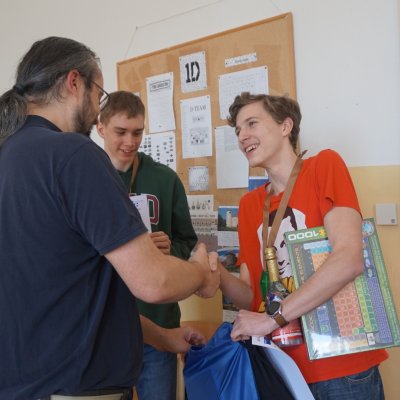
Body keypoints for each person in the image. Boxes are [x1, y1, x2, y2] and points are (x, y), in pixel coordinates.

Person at [0, 36, 220, 400]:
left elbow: (73, 293)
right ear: (74, 82)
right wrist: (200, 272)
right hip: (75, 387)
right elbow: (154, 282)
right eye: (98, 95)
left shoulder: (9, 154)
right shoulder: (72, 154)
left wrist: (162, 337)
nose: (95, 111)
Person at [220, 92, 387, 400]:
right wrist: (215, 274)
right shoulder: (249, 205)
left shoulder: (323, 166)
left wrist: (272, 318)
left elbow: (349, 258)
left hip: (341, 366)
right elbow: (250, 293)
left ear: (285, 126)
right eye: (238, 130)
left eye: (252, 123)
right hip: (282, 367)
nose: (242, 136)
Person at [96, 91, 202, 400]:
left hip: (159, 323)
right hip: (105, 326)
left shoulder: (165, 179)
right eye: (120, 132)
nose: (130, 142)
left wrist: (167, 252)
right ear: (101, 128)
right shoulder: (87, 177)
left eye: (137, 132)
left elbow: (188, 243)